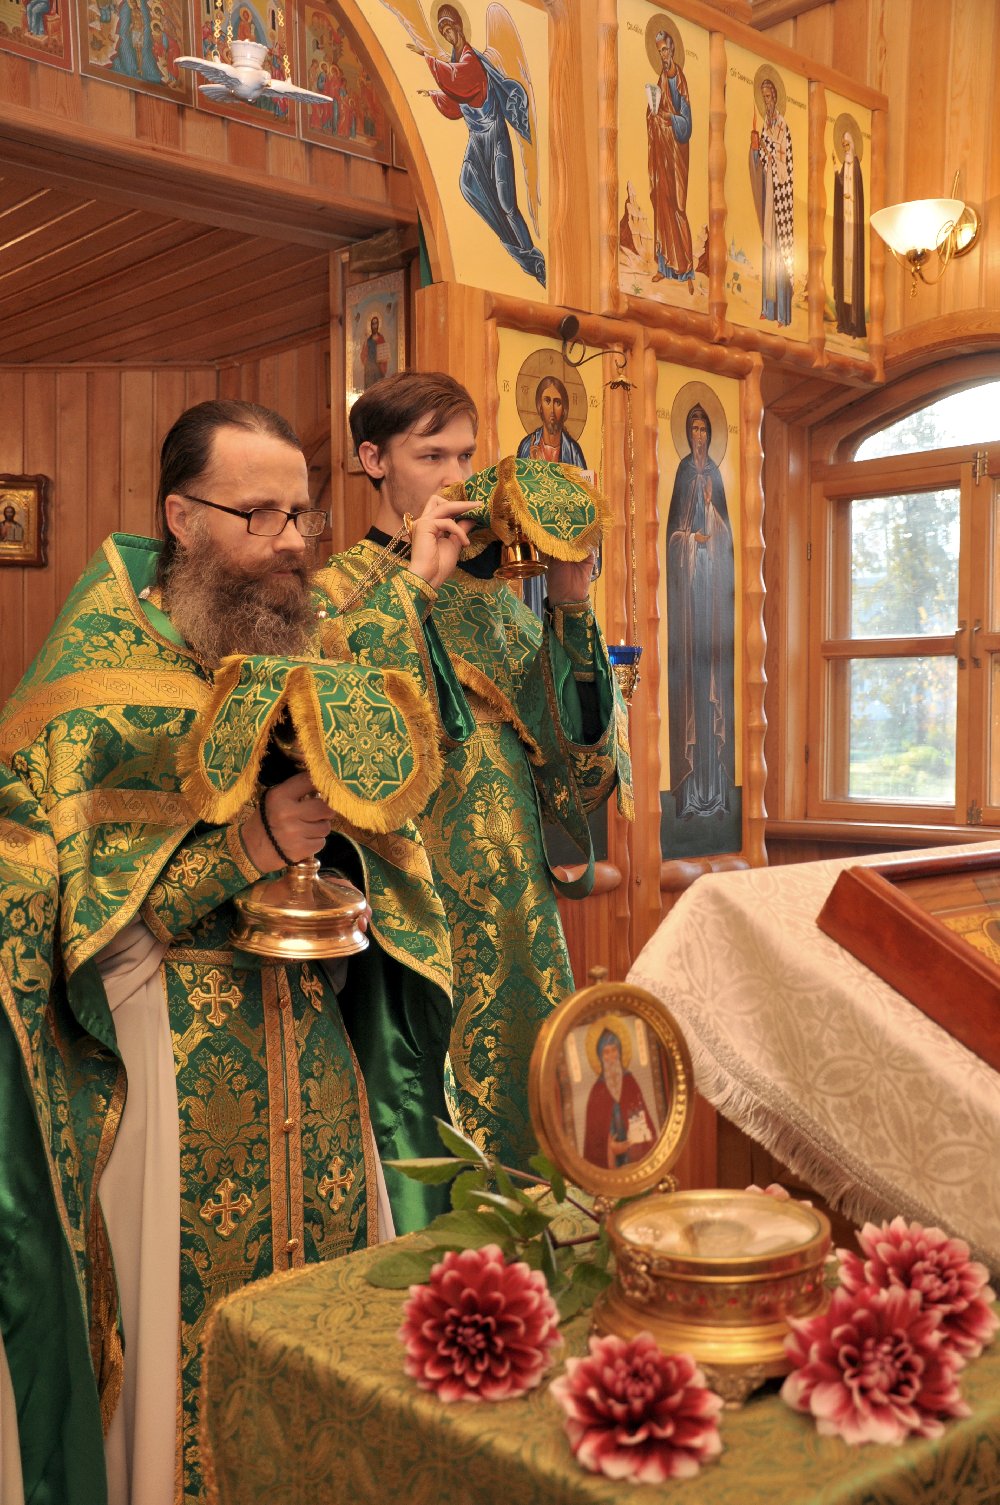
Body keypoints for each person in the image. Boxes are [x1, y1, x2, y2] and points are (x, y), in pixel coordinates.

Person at [0, 399, 467, 1504]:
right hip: (160, 1073)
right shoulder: (92, 682)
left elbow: (395, 824)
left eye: (301, 514)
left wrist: (345, 825)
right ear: (181, 516)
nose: (292, 542)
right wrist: (247, 846)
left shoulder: (310, 644)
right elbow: (68, 940)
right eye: (259, 515)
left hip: (317, 1048)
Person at [321, 370, 631, 1177]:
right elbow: (345, 750)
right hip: (412, 921)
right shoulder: (334, 595)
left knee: (534, 1153)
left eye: (465, 455)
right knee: (426, 1148)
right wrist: (413, 586)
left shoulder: (496, 605)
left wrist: (570, 600)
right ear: (374, 460)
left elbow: (579, 775)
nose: (455, 477)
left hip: (519, 927)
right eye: (431, 456)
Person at [410, 5, 545, 286]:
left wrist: (428, 58)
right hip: (477, 140)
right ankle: (513, 244)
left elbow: (461, 82)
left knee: (507, 202)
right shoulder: (457, 62)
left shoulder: (471, 61)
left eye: (449, 29)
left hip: (494, 139)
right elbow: (458, 102)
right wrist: (433, 94)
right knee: (469, 184)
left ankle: (531, 256)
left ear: (459, 27)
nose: (448, 35)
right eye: (443, 32)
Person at [666, 402, 736, 821]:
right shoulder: (681, 473)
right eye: (693, 429)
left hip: (714, 605)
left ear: (710, 435)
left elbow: (726, 539)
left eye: (703, 429)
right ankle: (691, 795)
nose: (698, 436)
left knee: (715, 687)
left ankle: (717, 794)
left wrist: (711, 512)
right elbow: (672, 538)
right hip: (688, 607)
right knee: (691, 686)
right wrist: (692, 539)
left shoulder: (716, 476)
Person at [646, 27, 694, 288]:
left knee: (677, 205)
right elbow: (653, 110)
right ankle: (664, 266)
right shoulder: (661, 78)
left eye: (665, 49)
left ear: (672, 49)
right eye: (659, 51)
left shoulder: (680, 81)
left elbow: (687, 125)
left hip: (676, 153)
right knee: (662, 202)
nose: (663, 55)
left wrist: (668, 118)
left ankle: (686, 269)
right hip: (662, 151)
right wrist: (653, 116)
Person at [749, 75, 794, 325]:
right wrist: (755, 149)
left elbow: (785, 166)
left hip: (780, 198)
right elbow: (760, 162)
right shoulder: (766, 125)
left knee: (779, 250)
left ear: (775, 97)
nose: (766, 101)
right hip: (768, 192)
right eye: (763, 97)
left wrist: (772, 154)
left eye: (768, 97)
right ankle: (768, 308)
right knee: (767, 249)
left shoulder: (782, 126)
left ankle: (783, 314)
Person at [582, 1026, 656, 1169]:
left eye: (614, 1050)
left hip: (634, 1156)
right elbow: (593, 1140)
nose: (611, 1056)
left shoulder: (630, 1082)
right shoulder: (597, 1090)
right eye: (606, 1052)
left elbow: (644, 1122)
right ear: (600, 1057)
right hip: (611, 1162)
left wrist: (632, 1144)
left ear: (620, 1052)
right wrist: (610, 1148)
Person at [832, 129, 866, 337]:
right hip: (844, 224)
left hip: (853, 224)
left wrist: (850, 197)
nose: (845, 148)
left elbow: (857, 194)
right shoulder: (844, 165)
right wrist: (836, 172)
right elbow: (841, 186)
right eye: (843, 145)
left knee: (852, 272)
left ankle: (854, 322)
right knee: (843, 271)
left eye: (847, 144)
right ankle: (843, 321)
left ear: (853, 145)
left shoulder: (857, 167)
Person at [516, 375, 587, 468]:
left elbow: (583, 477)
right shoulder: (527, 446)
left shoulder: (573, 451)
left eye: (557, 402)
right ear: (540, 406)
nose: (552, 410)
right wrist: (531, 465)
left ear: (564, 409)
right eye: (547, 401)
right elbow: (518, 476)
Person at [361, 313, 389, 387]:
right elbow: (363, 355)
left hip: (378, 369)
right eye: (373, 324)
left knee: (378, 388)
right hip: (369, 370)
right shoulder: (368, 340)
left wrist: (382, 360)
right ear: (371, 326)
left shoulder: (381, 338)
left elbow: (384, 355)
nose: (374, 326)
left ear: (378, 325)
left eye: (376, 324)